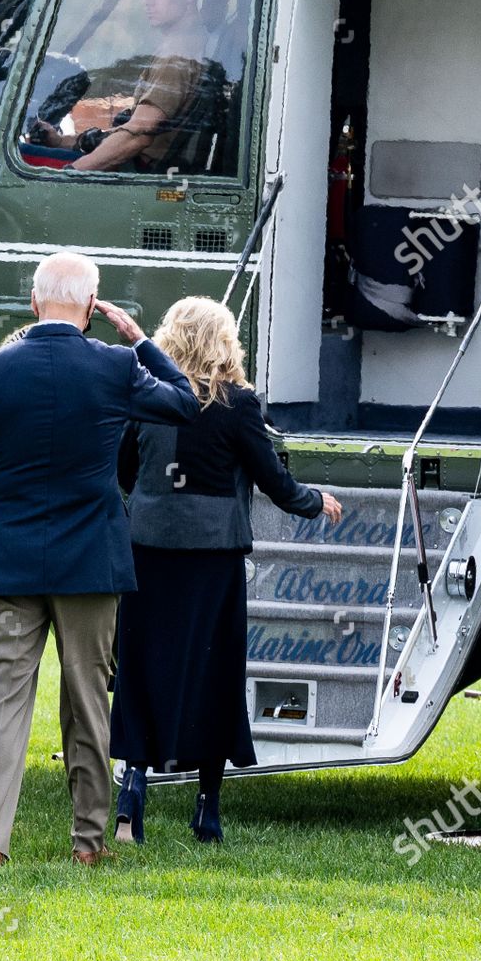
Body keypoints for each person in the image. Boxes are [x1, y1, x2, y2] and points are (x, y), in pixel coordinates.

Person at [0, 252, 199, 867]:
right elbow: (186, 403)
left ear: (34, 302)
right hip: (90, 561)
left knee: (2, 701)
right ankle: (88, 841)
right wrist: (141, 344)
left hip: (11, 558)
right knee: (87, 699)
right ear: (91, 307)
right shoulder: (115, 366)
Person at [110, 297, 342, 845]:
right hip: (213, 558)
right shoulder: (238, 404)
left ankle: (132, 790)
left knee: (142, 667)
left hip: (147, 548)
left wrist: (154, 500)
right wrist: (315, 501)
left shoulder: (145, 397)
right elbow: (272, 480)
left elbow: (124, 469)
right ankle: (207, 808)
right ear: (223, 342)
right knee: (213, 673)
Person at [35, 0, 215, 172]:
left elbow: (138, 135)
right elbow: (133, 128)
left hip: (137, 172)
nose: (148, 1)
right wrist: (62, 142)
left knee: (25, 160)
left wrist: (70, 173)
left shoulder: (177, 59)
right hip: (142, 166)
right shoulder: (193, 43)